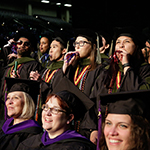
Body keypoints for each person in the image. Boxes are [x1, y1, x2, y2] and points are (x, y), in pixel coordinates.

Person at [17, 78, 96, 150]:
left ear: (69, 118)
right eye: (46, 107)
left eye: (55, 110)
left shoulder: (79, 147)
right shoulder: (29, 143)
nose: (47, 113)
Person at [61, 29, 105, 142]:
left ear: (93, 46)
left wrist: (93, 128)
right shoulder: (71, 68)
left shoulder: (100, 69)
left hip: (87, 125)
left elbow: (97, 99)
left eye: (82, 43)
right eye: (76, 43)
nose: (77, 46)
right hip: (67, 122)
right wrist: (65, 68)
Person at [90, 26, 150, 98]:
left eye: (127, 42)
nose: (121, 45)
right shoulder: (107, 69)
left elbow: (140, 95)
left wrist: (126, 65)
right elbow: (94, 96)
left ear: (136, 47)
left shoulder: (145, 69)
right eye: (118, 42)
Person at [0, 77, 42, 150]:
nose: (9, 102)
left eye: (16, 98)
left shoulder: (32, 134)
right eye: (8, 98)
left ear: (27, 103)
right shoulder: (2, 125)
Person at [0, 30, 43, 102]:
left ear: (31, 48)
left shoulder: (34, 65)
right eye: (20, 43)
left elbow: (32, 88)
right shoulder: (10, 66)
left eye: (26, 44)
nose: (22, 45)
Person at [30, 32, 70, 102]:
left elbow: (57, 91)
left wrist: (41, 83)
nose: (50, 50)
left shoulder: (65, 69)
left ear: (64, 50)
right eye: (50, 47)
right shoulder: (47, 68)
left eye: (54, 47)